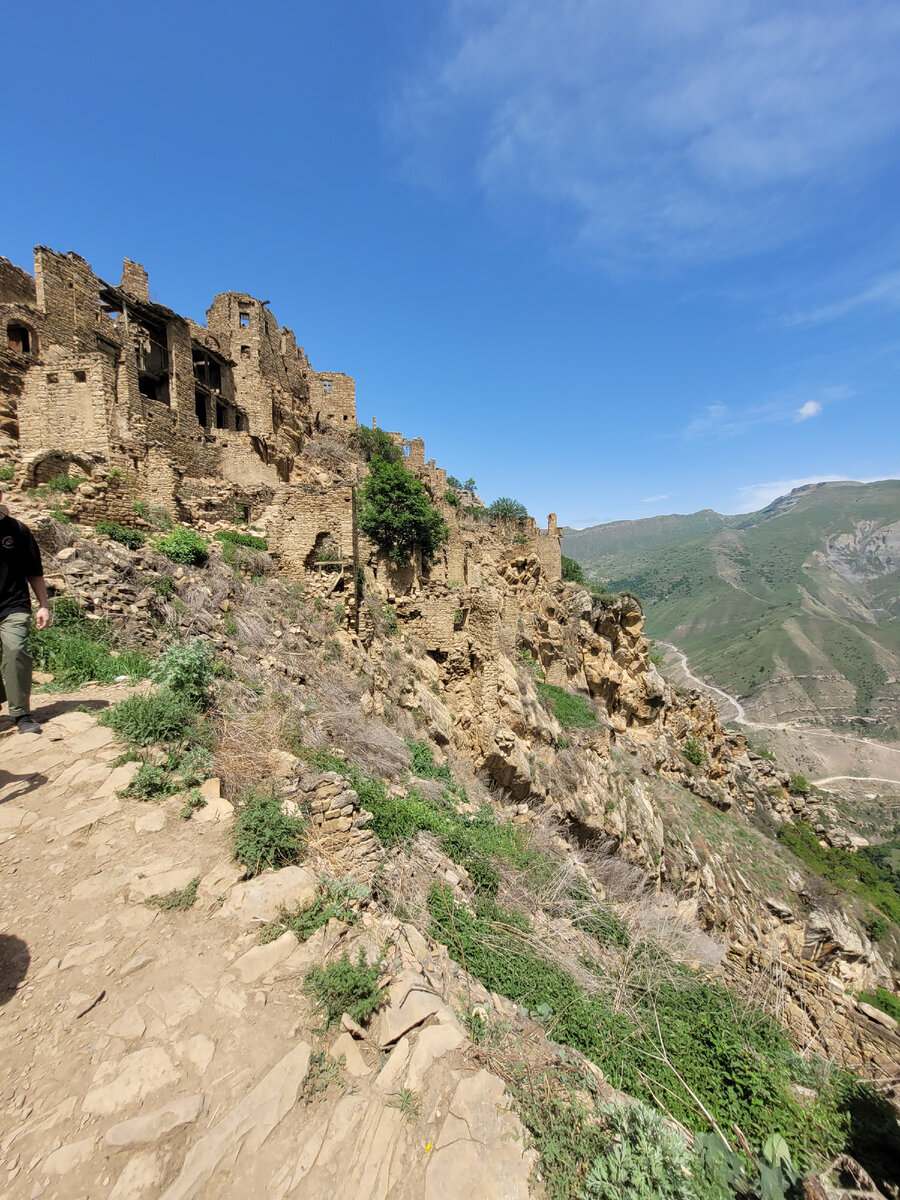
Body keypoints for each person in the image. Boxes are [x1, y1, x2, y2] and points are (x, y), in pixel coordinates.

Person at [0, 488, 50, 734]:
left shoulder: (17, 531)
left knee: (16, 651)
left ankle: (21, 714)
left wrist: (43, 605)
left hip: (13, 603)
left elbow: (34, 571)